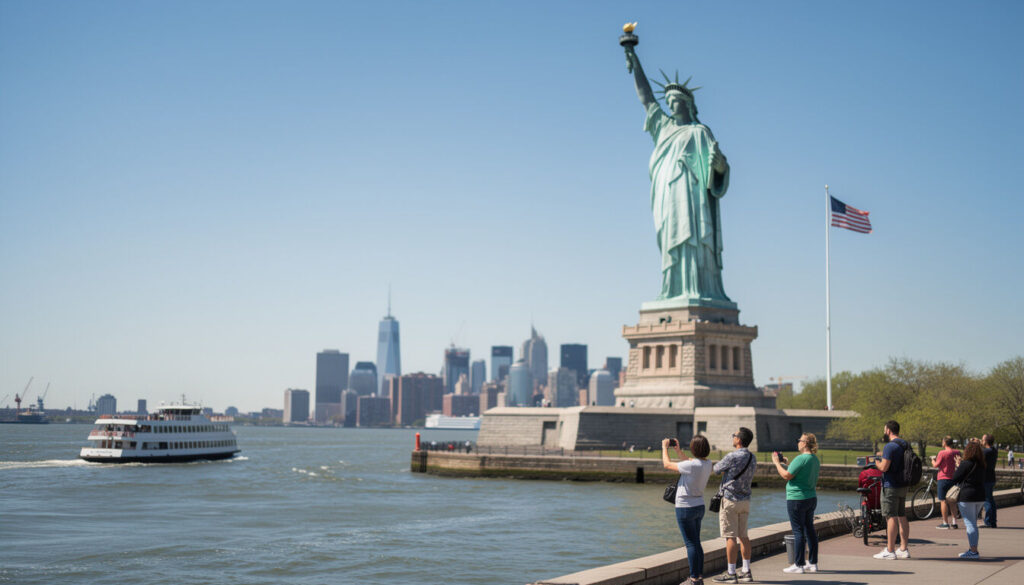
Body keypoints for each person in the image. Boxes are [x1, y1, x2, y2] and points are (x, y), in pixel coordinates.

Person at [623, 42, 731, 302]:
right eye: (669, 102)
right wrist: (634, 59)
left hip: (694, 201)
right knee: (671, 239)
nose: (671, 106)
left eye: (676, 102)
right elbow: (646, 98)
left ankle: (700, 289)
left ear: (689, 105)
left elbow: (719, 168)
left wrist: (719, 167)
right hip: (667, 196)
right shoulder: (663, 128)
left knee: (693, 240)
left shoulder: (700, 132)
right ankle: (672, 290)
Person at [663, 435, 714, 585]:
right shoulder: (707, 463)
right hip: (699, 506)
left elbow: (667, 464)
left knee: (690, 544)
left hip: (685, 507)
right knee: (696, 542)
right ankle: (699, 576)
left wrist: (664, 447)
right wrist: (678, 451)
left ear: (694, 449)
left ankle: (693, 579)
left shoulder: (692, 466)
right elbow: (689, 462)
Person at [711, 428, 757, 584]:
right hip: (745, 501)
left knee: (730, 537)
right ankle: (746, 571)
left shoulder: (732, 456)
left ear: (739, 439)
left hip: (730, 500)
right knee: (743, 536)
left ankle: (731, 573)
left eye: (734, 435)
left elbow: (716, 469)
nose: (733, 437)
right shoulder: (752, 457)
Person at [772, 433, 821, 574]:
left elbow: (786, 476)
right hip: (810, 498)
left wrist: (776, 463)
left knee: (798, 531)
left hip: (797, 498)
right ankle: (813, 563)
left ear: (805, 443)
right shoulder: (814, 459)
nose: (797, 442)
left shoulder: (801, 458)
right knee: (809, 530)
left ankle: (798, 564)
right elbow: (799, 472)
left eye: (799, 440)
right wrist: (786, 464)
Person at [873, 420, 911, 560]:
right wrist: (884, 454)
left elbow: (884, 467)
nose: (884, 432)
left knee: (891, 516)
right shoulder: (905, 444)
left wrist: (877, 461)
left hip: (891, 486)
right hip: (903, 485)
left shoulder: (890, 446)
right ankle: (904, 548)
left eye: (885, 430)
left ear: (888, 430)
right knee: (902, 515)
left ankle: (890, 550)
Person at [951, 440, 987, 558]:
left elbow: (955, 478)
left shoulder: (965, 463)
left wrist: (958, 466)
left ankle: (973, 551)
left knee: (970, 524)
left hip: (967, 496)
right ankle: (973, 549)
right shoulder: (982, 465)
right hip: (980, 496)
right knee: (973, 523)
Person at [931, 436, 961, 529]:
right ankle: (954, 522)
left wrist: (932, 459)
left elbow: (936, 465)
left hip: (943, 479)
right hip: (953, 478)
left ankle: (945, 523)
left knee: (943, 501)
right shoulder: (957, 452)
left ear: (944, 443)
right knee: (952, 501)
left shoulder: (942, 453)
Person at [981, 434, 998, 528]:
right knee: (991, 500)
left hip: (986, 478)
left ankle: (988, 521)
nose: (981, 441)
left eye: (982, 439)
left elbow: (978, 458)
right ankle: (993, 521)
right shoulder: (994, 450)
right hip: (991, 477)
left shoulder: (986, 452)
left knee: (987, 500)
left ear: (986, 441)